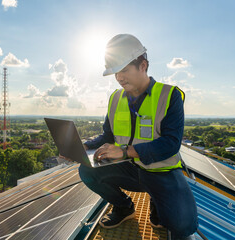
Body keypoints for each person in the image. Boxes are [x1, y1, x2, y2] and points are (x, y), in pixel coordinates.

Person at [76, 34, 198, 239]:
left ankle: (157, 202)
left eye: (124, 70)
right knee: (87, 171)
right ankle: (124, 208)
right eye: (116, 72)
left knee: (183, 226)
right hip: (130, 170)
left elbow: (171, 143)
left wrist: (125, 152)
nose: (119, 78)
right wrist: (82, 147)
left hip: (161, 172)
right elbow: (108, 135)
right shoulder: (116, 98)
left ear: (143, 65)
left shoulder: (170, 96)